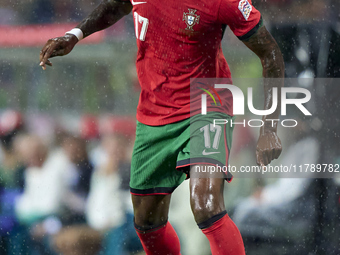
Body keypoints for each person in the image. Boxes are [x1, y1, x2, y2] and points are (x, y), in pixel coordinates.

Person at [39, 0, 284, 253]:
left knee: (206, 205)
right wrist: (75, 35)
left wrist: (270, 128)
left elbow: (270, 53)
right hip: (153, 115)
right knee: (147, 221)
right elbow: (115, 7)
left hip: (207, 106)